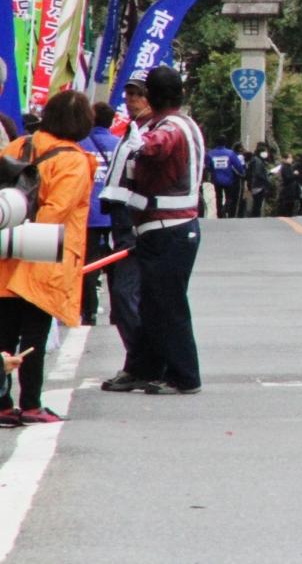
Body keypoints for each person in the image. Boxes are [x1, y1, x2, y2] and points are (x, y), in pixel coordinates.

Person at [103, 66, 206, 395]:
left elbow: (157, 146)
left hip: (169, 229)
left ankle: (184, 376)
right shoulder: (177, 123)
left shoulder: (169, 128)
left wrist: (140, 144)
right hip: (165, 229)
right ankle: (143, 367)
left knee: (167, 305)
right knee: (152, 305)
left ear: (151, 96)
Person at [0, 90, 95, 424]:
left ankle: (2, 403)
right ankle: (31, 403)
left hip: (7, 251)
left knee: (4, 334)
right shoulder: (74, 161)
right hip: (43, 255)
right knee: (34, 336)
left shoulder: (17, 146)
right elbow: (57, 211)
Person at [98, 75, 152, 390]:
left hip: (134, 222)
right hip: (120, 222)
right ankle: (137, 362)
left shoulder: (151, 133)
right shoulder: (132, 129)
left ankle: (142, 363)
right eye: (129, 94)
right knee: (122, 297)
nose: (132, 100)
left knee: (125, 294)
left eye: (139, 94)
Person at [80, 102, 120, 325]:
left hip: (89, 215)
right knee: (116, 264)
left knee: (89, 264)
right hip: (113, 214)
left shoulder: (80, 145)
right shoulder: (119, 144)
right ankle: (118, 311)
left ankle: (89, 312)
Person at [204, 135, 245, 219]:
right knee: (229, 197)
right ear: (225, 142)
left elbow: (207, 166)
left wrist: (213, 171)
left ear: (216, 143)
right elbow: (238, 165)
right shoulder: (230, 153)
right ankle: (227, 210)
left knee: (218, 197)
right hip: (229, 180)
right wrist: (242, 172)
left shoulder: (211, 153)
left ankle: (219, 214)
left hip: (216, 180)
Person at [246, 142, 270, 217]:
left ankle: (255, 216)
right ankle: (255, 217)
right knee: (257, 204)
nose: (266, 153)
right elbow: (258, 173)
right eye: (265, 151)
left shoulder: (256, 159)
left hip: (256, 185)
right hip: (259, 185)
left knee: (257, 203)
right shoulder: (258, 161)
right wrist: (266, 178)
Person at [275, 152, 299, 218]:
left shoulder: (289, 167)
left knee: (290, 206)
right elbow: (288, 178)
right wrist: (295, 174)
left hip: (290, 190)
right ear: (285, 159)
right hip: (286, 190)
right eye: (290, 158)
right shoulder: (285, 167)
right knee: (286, 207)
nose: (291, 159)